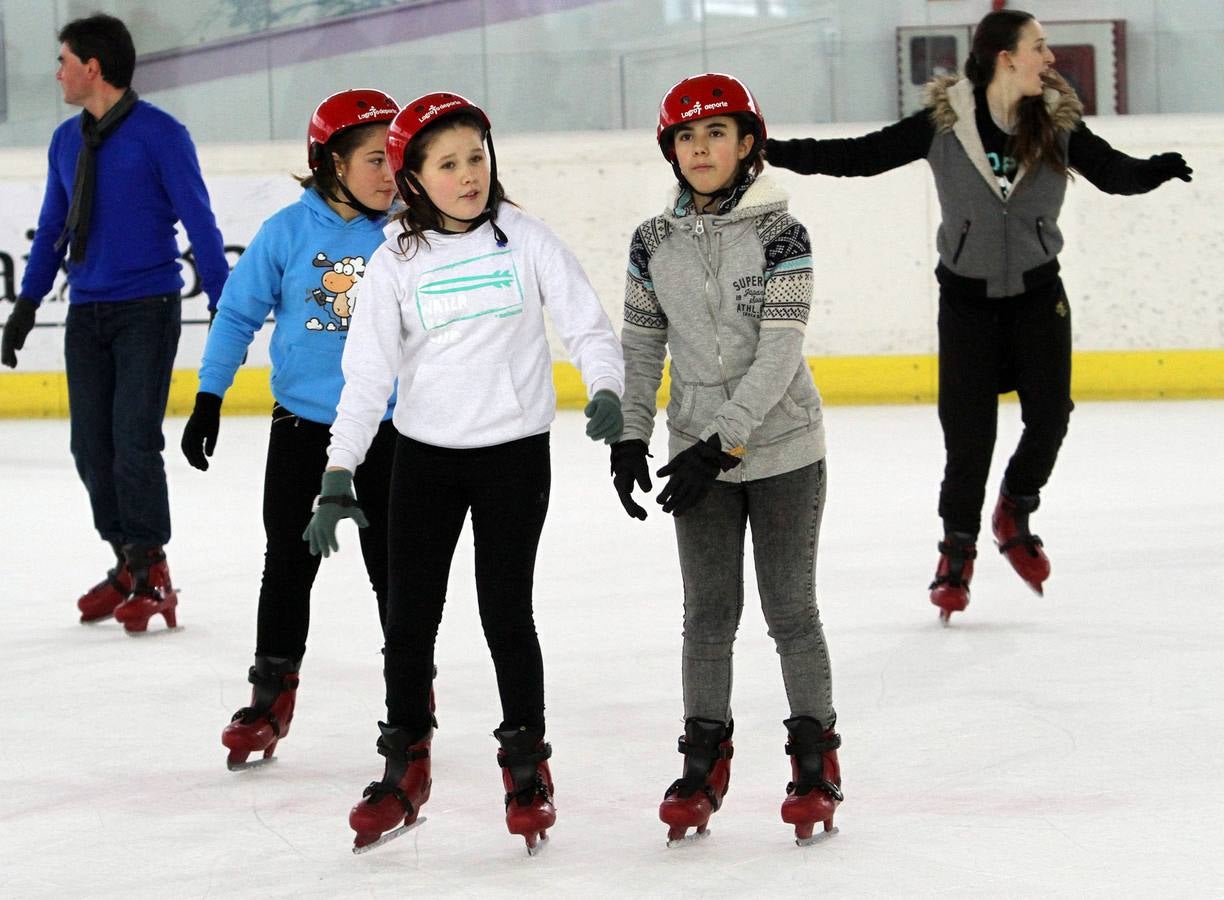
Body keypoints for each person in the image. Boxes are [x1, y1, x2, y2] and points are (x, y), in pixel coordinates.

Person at [765, 9, 1193, 623]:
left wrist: (1154, 171)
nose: (1049, 58)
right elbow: (860, 156)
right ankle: (956, 557)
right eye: (1038, 47)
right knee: (969, 437)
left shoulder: (1058, 121)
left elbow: (1113, 173)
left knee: (1050, 417)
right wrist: (776, 152)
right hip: (965, 302)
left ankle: (1015, 507)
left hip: (1037, 296)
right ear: (1005, 57)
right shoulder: (943, 125)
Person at [302, 92, 625, 854]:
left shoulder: (529, 241)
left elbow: (587, 325)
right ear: (414, 178)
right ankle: (403, 767)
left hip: (513, 457)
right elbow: (366, 375)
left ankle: (526, 768)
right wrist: (339, 470)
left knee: (505, 613)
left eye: (476, 156)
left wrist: (605, 388)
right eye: (447, 163)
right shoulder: (395, 263)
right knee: (409, 619)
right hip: (424, 459)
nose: (469, 174)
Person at [611, 73, 843, 847]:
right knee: (707, 616)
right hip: (693, 459)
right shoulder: (653, 241)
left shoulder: (783, 235)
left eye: (716, 133)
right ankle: (703, 759)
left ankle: (816, 763)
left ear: (748, 144)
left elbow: (780, 353)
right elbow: (642, 348)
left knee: (790, 612)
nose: (700, 148)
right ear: (671, 151)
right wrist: (631, 435)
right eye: (686, 135)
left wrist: (724, 440)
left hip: (781, 450)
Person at [178, 89, 401, 770]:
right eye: (374, 158)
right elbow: (238, 314)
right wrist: (209, 396)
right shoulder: (286, 232)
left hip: (390, 433)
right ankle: (269, 694)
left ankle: (409, 698)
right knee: (286, 564)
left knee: (395, 574)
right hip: (303, 428)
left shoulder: (408, 230)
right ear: (332, 162)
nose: (391, 171)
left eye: (395, 156)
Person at [0, 13, 229, 634]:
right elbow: (52, 230)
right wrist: (25, 306)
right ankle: (127, 562)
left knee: (133, 441)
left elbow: (200, 221)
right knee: (90, 449)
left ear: (92, 68)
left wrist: (223, 299)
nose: (58, 73)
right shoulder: (65, 142)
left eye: (64, 61)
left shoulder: (162, 135)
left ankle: (153, 570)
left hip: (146, 310)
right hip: (87, 311)